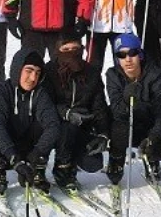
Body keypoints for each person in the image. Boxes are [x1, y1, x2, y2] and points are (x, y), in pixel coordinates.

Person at [0, 51, 60, 194]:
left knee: (48, 125)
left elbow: (53, 125)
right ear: (17, 69)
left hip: (30, 149)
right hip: (7, 148)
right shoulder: (2, 90)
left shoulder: (40, 94)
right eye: (29, 71)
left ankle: (36, 168)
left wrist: (36, 154)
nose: (33, 78)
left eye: (37, 73)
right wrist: (14, 158)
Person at [43, 34, 110, 192]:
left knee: (93, 162)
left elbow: (99, 105)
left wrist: (103, 134)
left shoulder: (91, 72)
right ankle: (62, 168)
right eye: (65, 49)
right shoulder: (49, 71)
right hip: (52, 125)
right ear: (57, 51)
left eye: (75, 48)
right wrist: (66, 113)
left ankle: (73, 162)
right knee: (67, 128)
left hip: (83, 124)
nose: (71, 53)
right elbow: (45, 102)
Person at [105, 32, 161, 188]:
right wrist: (127, 100)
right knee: (118, 128)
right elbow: (115, 110)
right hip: (124, 124)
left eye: (132, 53)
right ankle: (116, 158)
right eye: (122, 55)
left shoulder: (153, 74)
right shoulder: (112, 75)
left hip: (146, 125)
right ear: (117, 58)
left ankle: (151, 159)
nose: (128, 59)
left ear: (140, 55)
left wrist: (153, 137)